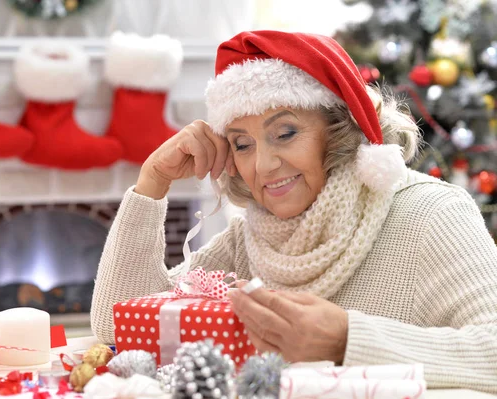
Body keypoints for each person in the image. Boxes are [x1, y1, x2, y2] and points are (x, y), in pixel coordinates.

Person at [91, 30, 497, 392]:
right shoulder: (250, 237)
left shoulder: (431, 213)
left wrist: (348, 340)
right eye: (242, 144)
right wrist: (152, 184)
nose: (263, 166)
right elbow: (121, 328)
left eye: (284, 133)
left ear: (339, 127)